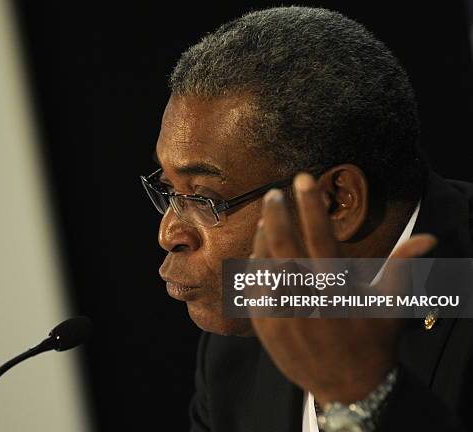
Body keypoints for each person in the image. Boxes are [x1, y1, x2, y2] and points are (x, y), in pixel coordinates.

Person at [140, 6, 473, 432]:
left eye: (204, 197)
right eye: (169, 190)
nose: (168, 232)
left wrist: (362, 396)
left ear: (336, 202)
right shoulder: (234, 350)